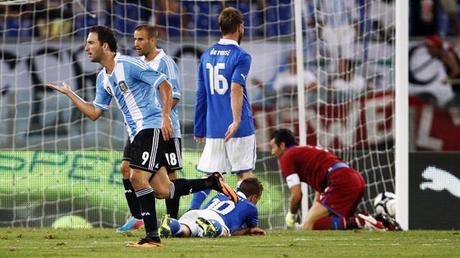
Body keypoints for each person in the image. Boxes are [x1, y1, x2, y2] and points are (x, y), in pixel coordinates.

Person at [47, 26, 238, 247]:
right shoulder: (103, 78)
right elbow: (94, 113)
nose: (86, 47)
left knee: (136, 177)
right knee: (162, 190)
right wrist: (70, 93)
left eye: (91, 43)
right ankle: (211, 182)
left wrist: (166, 117)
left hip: (151, 126)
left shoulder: (129, 65)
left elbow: (165, 85)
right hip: (137, 132)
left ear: (105, 46)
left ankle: (151, 236)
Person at [115, 24, 185, 233]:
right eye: (135, 39)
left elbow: (175, 94)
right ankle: (138, 217)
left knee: (170, 178)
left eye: (141, 39)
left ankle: (171, 222)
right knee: (126, 169)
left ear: (153, 40)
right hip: (140, 129)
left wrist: (162, 117)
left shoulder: (166, 63)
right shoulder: (134, 64)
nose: (136, 44)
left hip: (165, 128)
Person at [191, 7, 257, 209]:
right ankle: (243, 219)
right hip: (239, 127)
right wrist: (236, 120)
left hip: (214, 128)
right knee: (244, 174)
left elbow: (201, 94)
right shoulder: (241, 56)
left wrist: (199, 127)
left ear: (221, 27)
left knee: (210, 177)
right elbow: (236, 87)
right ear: (240, 27)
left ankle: (190, 214)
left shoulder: (207, 55)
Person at [270, 128, 397, 231]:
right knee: (318, 223)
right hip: (353, 178)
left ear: (282, 145)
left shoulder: (287, 157)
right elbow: (320, 193)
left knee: (309, 226)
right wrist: (310, 216)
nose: (272, 152)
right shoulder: (306, 152)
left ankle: (362, 221)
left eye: (273, 147)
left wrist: (291, 217)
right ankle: (379, 222)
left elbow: (297, 195)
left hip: (340, 181)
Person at [159, 177, 265, 238]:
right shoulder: (250, 206)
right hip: (217, 220)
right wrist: (248, 231)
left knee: (185, 230)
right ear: (254, 197)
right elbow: (253, 229)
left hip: (198, 213)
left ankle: (172, 225)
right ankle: (214, 228)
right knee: (224, 232)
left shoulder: (222, 194)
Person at [424, 35, 460, 107]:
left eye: (429, 47)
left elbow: (456, 71)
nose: (427, 50)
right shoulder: (443, 53)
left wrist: (447, 79)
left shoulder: (446, 55)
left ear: (436, 47)